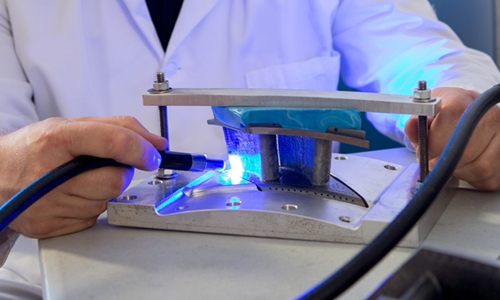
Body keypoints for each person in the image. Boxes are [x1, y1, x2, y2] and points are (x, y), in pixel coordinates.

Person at [1, 0, 500, 298]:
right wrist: (8, 172)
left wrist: (465, 108)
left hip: (309, 273)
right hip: (50, 282)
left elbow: (424, 54)